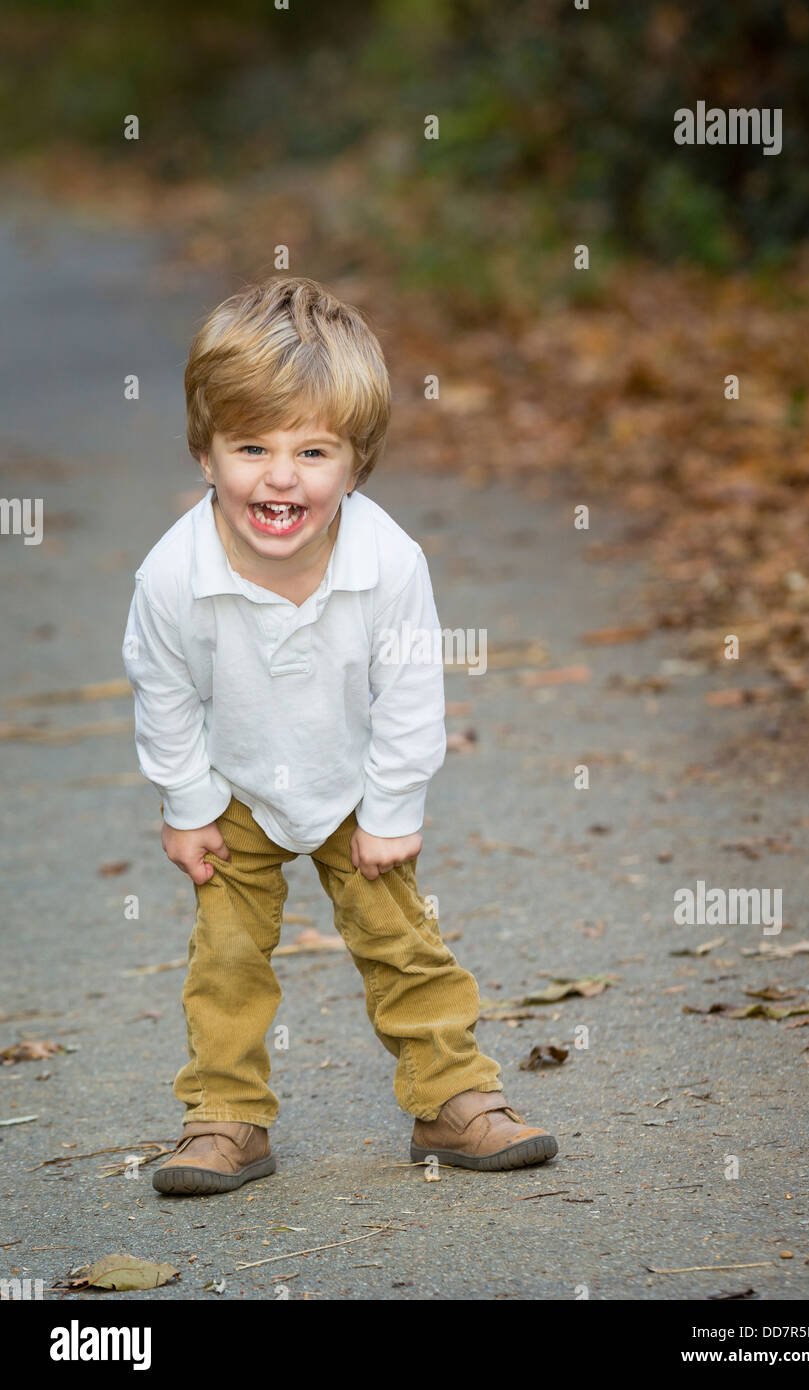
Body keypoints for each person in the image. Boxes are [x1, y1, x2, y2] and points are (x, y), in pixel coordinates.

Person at [121, 275, 557, 1194]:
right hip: (234, 787)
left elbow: (409, 691)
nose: (281, 475)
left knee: (404, 944)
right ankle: (226, 1117)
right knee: (226, 959)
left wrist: (393, 807)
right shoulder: (171, 575)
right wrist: (188, 804)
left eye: (313, 450)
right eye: (251, 447)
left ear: (356, 464)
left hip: (354, 784)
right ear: (205, 455)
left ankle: (451, 1098)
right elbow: (160, 690)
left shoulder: (388, 561)